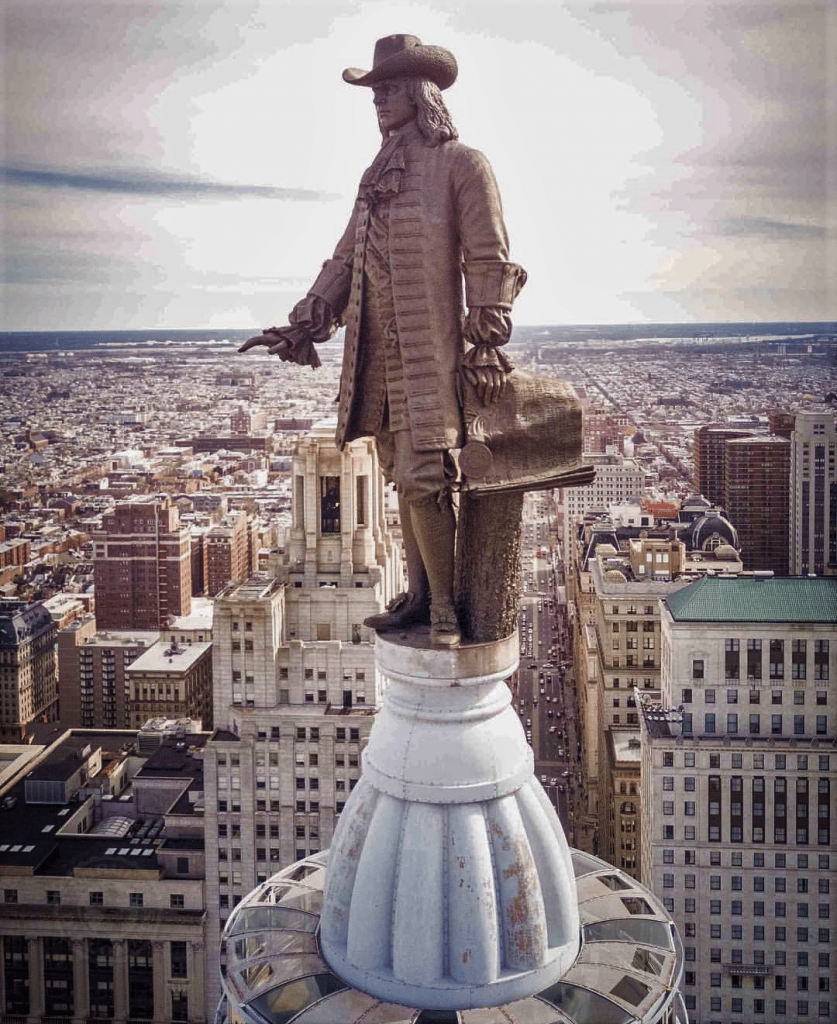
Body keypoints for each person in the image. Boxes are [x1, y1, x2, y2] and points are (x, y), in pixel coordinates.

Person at [240, 34, 526, 646]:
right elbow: (346, 257)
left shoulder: (462, 164)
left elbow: (489, 255)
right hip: (377, 354)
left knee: (426, 477)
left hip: (433, 353)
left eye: (389, 88)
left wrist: (485, 337)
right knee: (402, 474)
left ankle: (446, 610)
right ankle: (421, 597)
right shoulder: (375, 176)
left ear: (421, 93)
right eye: (374, 91)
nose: (378, 100)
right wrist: (305, 321)